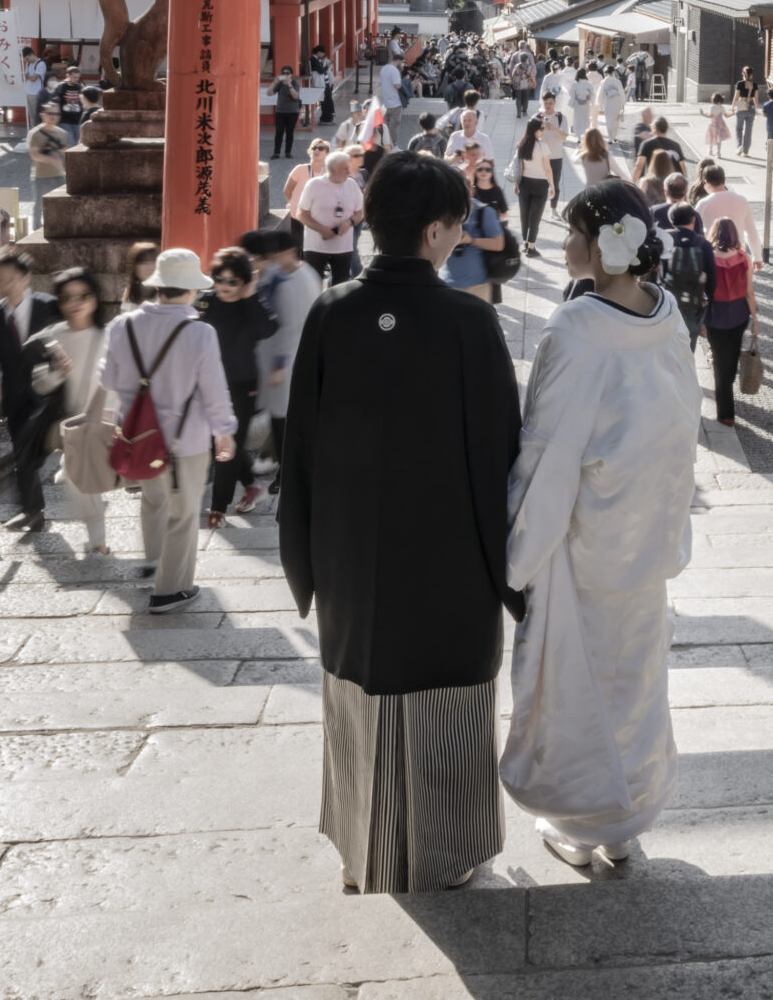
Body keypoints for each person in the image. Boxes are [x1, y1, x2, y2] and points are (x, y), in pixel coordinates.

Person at [277, 152, 523, 893]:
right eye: (452, 225)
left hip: (351, 558)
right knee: (447, 702)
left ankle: (365, 847)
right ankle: (446, 858)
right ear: (436, 229)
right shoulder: (470, 322)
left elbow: (302, 449)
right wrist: (514, 572)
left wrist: (303, 559)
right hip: (451, 559)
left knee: (360, 693)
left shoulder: (332, 310)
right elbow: (502, 456)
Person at [503, 178, 699, 868]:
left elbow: (547, 449)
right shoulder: (667, 317)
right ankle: (625, 822)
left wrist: (521, 548)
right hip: (645, 542)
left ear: (603, 245)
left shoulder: (577, 330)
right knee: (636, 685)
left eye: (573, 232)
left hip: (584, 544)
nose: (564, 243)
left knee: (577, 690)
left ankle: (581, 824)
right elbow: (682, 428)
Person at [100, 249, 238, 612]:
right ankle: (170, 590)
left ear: (159, 286)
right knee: (184, 512)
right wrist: (224, 430)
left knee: (154, 500)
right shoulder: (200, 333)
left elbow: (108, 379)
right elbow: (214, 389)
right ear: (192, 290)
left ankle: (156, 563)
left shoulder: (122, 325)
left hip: (137, 437)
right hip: (186, 439)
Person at [0, 248, 64, 531]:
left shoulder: (48, 307)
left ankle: (38, 509)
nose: (5, 286)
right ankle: (33, 511)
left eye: (11, 279)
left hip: (52, 395)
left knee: (33, 454)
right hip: (15, 397)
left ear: (26, 278)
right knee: (22, 452)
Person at [28, 268, 115, 557]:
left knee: (85, 480)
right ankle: (98, 541)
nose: (75, 302)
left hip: (105, 419)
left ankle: (97, 539)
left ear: (95, 299)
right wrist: (56, 374)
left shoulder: (110, 335)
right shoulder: (52, 337)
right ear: (59, 302)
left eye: (84, 295)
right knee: (81, 483)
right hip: (69, 424)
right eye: (67, 297)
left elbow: (123, 379)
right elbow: (39, 384)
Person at [198, 247, 282, 525]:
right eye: (219, 279)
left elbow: (268, 329)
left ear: (244, 282)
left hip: (243, 384)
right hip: (210, 383)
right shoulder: (207, 302)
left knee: (227, 442)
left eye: (232, 281)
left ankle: (218, 509)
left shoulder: (251, 303)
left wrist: (251, 296)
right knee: (216, 442)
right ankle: (251, 484)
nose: (224, 286)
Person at [243, 227, 320, 478]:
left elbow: (291, 328)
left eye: (275, 254)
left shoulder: (296, 281)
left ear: (288, 251)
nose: (272, 259)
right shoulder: (288, 274)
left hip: (286, 359)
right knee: (281, 415)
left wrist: (278, 365)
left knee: (282, 417)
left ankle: (285, 471)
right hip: (282, 356)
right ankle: (277, 461)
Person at [702, 216, 755, 426]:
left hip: (715, 314)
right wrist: (756, 320)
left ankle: (725, 413)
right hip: (739, 313)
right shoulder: (743, 258)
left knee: (719, 358)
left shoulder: (708, 258)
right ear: (734, 234)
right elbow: (750, 291)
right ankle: (725, 392)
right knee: (731, 358)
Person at [297, 150, 364, 287]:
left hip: (343, 247)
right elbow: (301, 213)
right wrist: (321, 229)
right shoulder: (314, 185)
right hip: (316, 246)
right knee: (313, 286)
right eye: (345, 169)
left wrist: (350, 222)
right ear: (333, 169)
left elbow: (360, 212)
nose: (349, 172)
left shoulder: (351, 184)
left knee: (340, 288)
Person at [441, 170, 507, 302]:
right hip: (446, 285)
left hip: (478, 286)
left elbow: (499, 244)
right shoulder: (442, 212)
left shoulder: (484, 212)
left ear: (471, 191)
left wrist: (471, 240)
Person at [512, 114, 555, 254]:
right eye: (541, 128)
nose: (543, 131)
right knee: (535, 216)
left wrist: (516, 184)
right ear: (535, 130)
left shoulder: (521, 145)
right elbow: (548, 169)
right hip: (540, 184)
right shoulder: (543, 146)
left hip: (524, 183)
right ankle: (531, 247)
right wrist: (553, 186)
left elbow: (518, 168)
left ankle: (525, 243)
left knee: (524, 215)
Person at [696, 163, 757, 261]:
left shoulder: (703, 204)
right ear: (723, 180)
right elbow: (751, 231)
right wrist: (757, 256)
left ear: (706, 183)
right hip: (738, 256)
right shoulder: (741, 200)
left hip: (713, 256)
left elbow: (696, 231)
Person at [567, 126, 619, 198]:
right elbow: (620, 173)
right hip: (604, 192)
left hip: (589, 192)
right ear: (600, 139)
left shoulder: (584, 156)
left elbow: (574, 160)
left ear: (586, 141)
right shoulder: (606, 156)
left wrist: (577, 151)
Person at [27, 103, 70, 185]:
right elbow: (34, 155)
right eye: (50, 113)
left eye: (56, 114)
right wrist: (52, 160)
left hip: (60, 175)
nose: (53, 116)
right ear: (42, 115)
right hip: (41, 177)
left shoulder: (63, 133)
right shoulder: (35, 133)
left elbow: (66, 152)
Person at [270, 68, 301, 162]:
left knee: (289, 132)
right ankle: (276, 152)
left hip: (293, 112)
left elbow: (296, 96)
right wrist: (274, 82)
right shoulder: (279, 84)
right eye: (283, 73)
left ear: (291, 74)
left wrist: (289, 84)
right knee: (279, 132)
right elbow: (269, 93)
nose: (285, 75)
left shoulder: (295, 84)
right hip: (280, 111)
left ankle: (288, 152)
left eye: (287, 73)